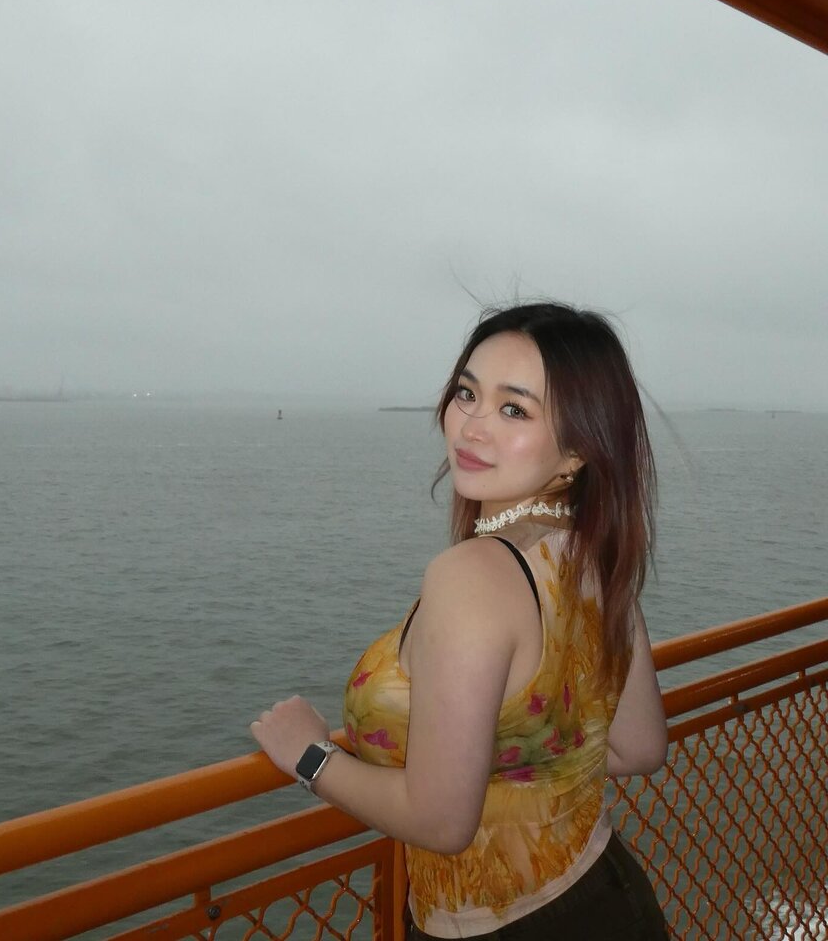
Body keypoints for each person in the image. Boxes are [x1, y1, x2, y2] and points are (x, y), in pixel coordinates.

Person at [250, 301, 670, 940]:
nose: (472, 426)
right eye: (468, 394)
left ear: (578, 450)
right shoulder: (592, 554)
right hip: (608, 896)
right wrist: (503, 763)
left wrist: (309, 756)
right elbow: (638, 747)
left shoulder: (471, 575)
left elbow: (442, 822)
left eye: (514, 409)